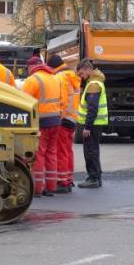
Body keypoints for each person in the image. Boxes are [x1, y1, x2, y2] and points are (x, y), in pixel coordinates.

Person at [21, 56, 63, 197]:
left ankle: (38, 188)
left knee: (39, 154)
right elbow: (62, 101)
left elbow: (22, 103)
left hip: (41, 122)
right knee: (51, 153)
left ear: (31, 67)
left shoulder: (32, 80)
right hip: (56, 121)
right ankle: (51, 187)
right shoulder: (55, 78)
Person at [47, 55, 80, 193]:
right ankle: (68, 178)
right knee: (68, 151)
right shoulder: (72, 75)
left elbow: (63, 100)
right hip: (73, 118)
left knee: (61, 151)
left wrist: (59, 116)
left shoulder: (60, 77)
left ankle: (62, 181)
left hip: (64, 118)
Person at [76, 59, 107, 188]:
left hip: (92, 125)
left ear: (88, 70)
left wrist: (87, 126)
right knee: (93, 149)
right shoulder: (95, 82)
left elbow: (92, 108)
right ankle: (96, 176)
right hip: (96, 123)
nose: (81, 77)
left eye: (81, 74)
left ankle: (93, 178)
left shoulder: (93, 85)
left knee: (90, 151)